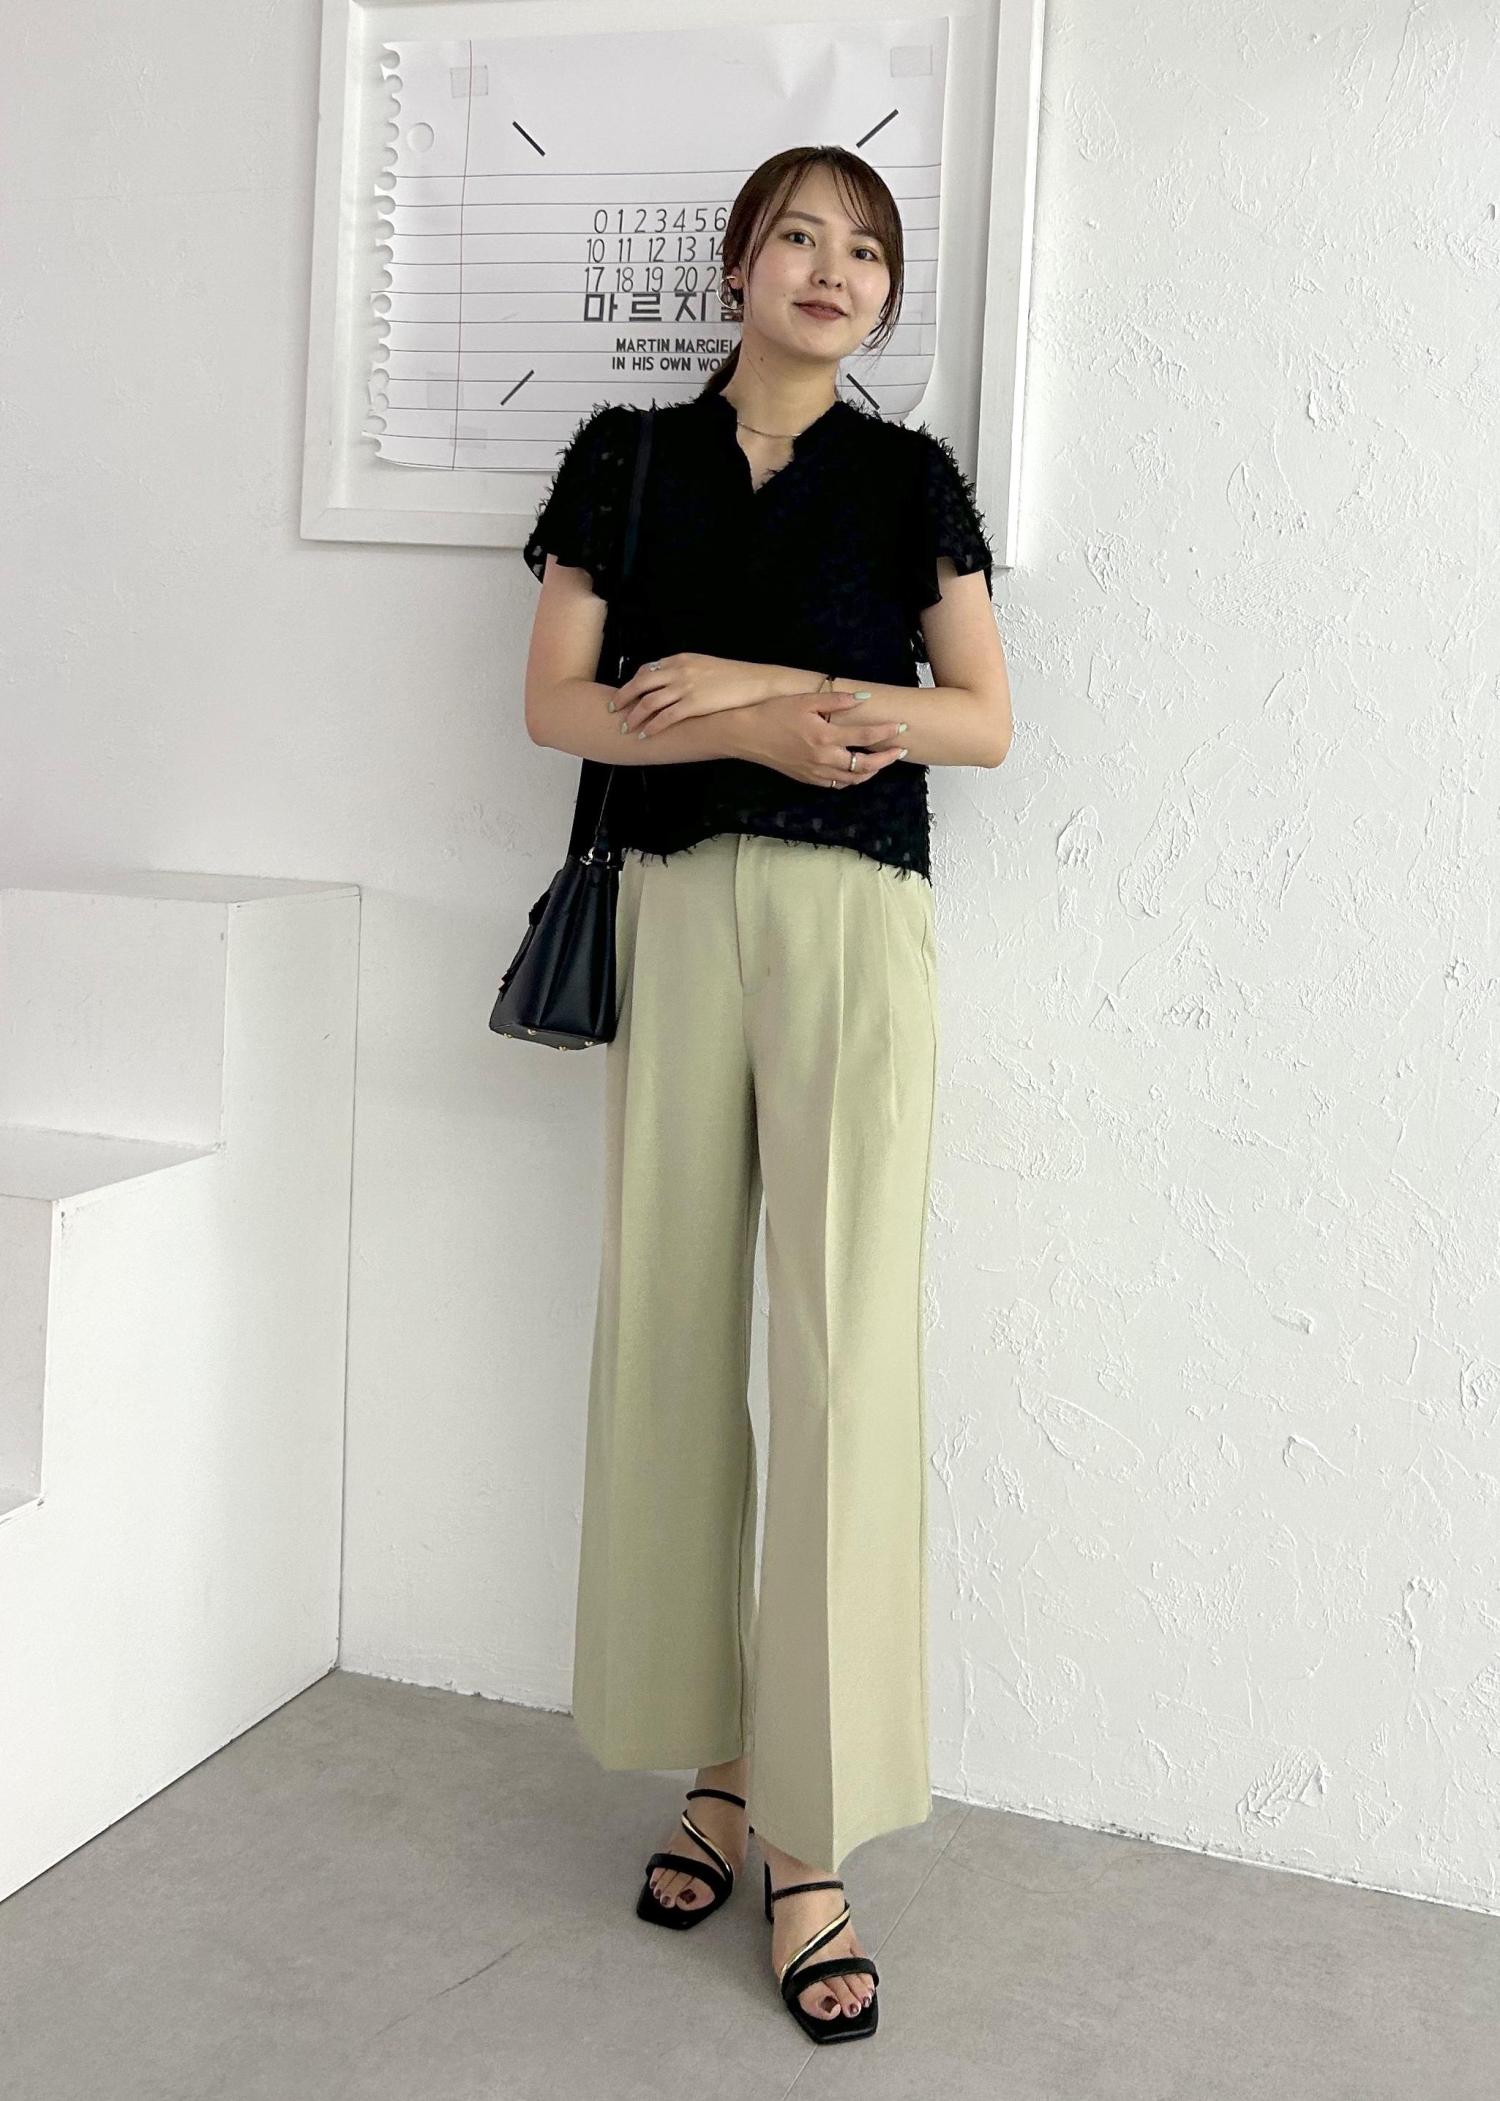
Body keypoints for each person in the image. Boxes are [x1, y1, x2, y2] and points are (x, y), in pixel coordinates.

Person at [522, 143, 1011, 2043]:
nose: (834, 268)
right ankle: (713, 1764)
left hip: (852, 921)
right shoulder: (623, 462)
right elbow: (560, 704)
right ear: (736, 262)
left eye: (867, 249)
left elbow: (980, 718)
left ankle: (809, 1837)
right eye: (801, 234)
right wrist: (745, 706)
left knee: (840, 1354)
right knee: (668, 1325)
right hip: (670, 908)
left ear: (885, 295)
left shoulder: (909, 481)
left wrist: (764, 682)